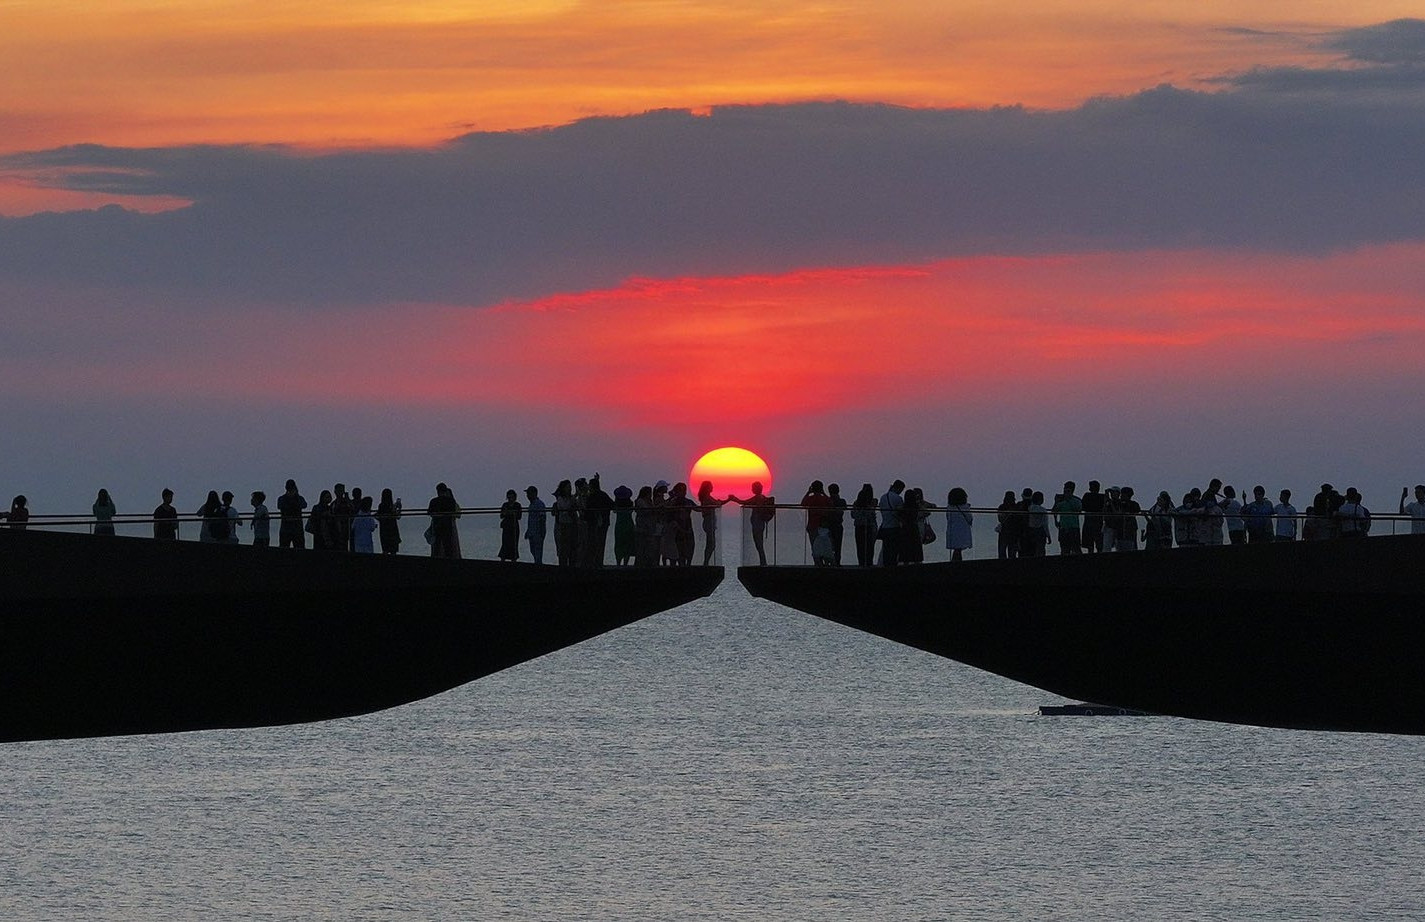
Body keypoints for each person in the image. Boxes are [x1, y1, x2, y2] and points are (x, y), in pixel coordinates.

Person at [729, 482, 775, 566]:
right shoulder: (763, 498)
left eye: (753, 488)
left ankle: (763, 563)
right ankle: (763, 562)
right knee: (759, 543)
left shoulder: (757, 498)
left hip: (757, 523)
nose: (752, 489)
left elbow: (744, 502)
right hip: (760, 523)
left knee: (758, 544)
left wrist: (734, 499)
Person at [426, 482, 462, 559]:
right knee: (448, 546)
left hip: (436, 526)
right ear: (445, 491)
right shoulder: (451, 501)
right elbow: (454, 513)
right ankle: (449, 562)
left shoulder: (433, 501)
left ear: (437, 491)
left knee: (436, 546)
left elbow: (429, 512)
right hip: (448, 526)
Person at [696, 481, 728, 566]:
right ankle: (706, 562)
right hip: (708, 522)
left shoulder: (707, 497)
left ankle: (706, 562)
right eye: (711, 486)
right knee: (711, 543)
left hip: (710, 522)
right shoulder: (707, 498)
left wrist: (727, 500)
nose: (712, 487)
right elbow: (717, 504)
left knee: (710, 543)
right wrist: (728, 500)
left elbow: (718, 503)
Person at [584, 475, 613, 567]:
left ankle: (592, 563)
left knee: (592, 543)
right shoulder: (603, 495)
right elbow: (612, 505)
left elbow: (588, 511)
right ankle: (599, 562)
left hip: (593, 523)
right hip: (604, 522)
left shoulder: (591, 497)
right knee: (601, 543)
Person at [801, 481, 831, 563]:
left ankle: (817, 563)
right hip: (823, 526)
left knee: (814, 547)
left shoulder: (811, 499)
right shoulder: (824, 499)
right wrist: (824, 493)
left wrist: (808, 493)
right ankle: (826, 563)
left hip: (812, 526)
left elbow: (802, 504)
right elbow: (831, 503)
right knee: (824, 547)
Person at [877, 480, 905, 566]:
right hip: (894, 527)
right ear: (898, 488)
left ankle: (885, 566)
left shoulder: (883, 497)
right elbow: (900, 513)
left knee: (886, 549)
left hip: (885, 527)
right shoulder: (898, 498)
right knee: (894, 550)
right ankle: (892, 567)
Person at [552, 479, 578, 566]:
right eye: (568, 487)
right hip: (563, 525)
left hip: (571, 524)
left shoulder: (572, 498)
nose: (570, 489)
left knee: (572, 547)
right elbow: (564, 507)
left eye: (570, 487)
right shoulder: (560, 499)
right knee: (563, 548)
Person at [850, 483, 878, 567]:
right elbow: (871, 514)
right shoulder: (873, 502)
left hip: (859, 526)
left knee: (860, 546)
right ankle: (869, 563)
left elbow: (853, 515)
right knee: (870, 546)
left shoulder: (856, 503)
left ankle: (861, 563)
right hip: (869, 526)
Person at [1051, 482, 1082, 555]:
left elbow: (1078, 509)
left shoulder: (1077, 501)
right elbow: (1054, 511)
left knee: (1076, 548)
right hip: (1063, 527)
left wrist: (1069, 499)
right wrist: (1056, 501)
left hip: (1073, 527)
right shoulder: (1061, 501)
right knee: (1064, 548)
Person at [944, 487, 973, 562]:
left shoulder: (949, 507)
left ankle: (956, 563)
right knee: (958, 550)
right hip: (962, 531)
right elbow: (970, 518)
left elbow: (948, 518)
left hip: (952, 530)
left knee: (956, 550)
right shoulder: (965, 507)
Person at [277, 480, 308, 549]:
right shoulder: (297, 498)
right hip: (294, 528)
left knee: (285, 548)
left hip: (289, 528)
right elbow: (304, 505)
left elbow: (304, 505)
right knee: (298, 548)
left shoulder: (282, 498)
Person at [633, 485, 658, 567]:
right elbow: (646, 510)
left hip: (649, 528)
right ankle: (639, 564)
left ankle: (647, 564)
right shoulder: (640, 501)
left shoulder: (649, 501)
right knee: (641, 547)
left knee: (649, 547)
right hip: (642, 527)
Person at [825, 483, 848, 566]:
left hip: (828, 526)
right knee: (838, 546)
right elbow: (845, 508)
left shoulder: (827, 501)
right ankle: (837, 562)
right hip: (838, 525)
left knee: (829, 546)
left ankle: (829, 562)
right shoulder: (841, 501)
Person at [612, 485, 635, 566]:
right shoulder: (630, 503)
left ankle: (618, 563)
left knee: (619, 544)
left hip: (619, 525)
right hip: (629, 524)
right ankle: (626, 563)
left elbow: (614, 511)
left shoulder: (617, 504)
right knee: (628, 544)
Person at [1080, 481, 1105, 553]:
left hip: (1089, 521)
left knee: (1090, 545)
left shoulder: (1087, 496)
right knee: (1099, 544)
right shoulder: (1102, 497)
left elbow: (1082, 507)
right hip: (1098, 521)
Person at [524, 486, 547, 563]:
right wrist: (528, 531)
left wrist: (542, 530)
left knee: (538, 551)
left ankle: (538, 567)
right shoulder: (531, 505)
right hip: (532, 532)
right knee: (533, 550)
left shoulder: (539, 504)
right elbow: (531, 520)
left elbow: (542, 518)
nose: (527, 496)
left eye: (528, 493)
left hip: (538, 532)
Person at [1025, 491, 1051, 556]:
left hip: (1031, 530)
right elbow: (1045, 524)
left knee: (1032, 550)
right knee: (1040, 550)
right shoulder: (1043, 510)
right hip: (1040, 531)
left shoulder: (1029, 508)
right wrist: (1048, 535)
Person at [995, 490, 1020, 560]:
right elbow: (1018, 520)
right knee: (1012, 553)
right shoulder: (1016, 507)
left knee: (1002, 551)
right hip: (1014, 531)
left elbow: (1000, 519)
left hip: (1004, 531)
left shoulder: (1001, 507)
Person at [498, 489, 522, 561]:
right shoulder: (505, 505)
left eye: (512, 497)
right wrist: (508, 513)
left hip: (514, 527)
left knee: (514, 544)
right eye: (509, 497)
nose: (510, 499)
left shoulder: (517, 505)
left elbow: (519, 516)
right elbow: (501, 515)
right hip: (506, 527)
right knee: (505, 543)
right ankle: (503, 559)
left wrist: (509, 513)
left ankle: (513, 560)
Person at [377, 489, 402, 555]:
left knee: (385, 549)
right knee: (393, 550)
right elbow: (398, 517)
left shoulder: (381, 506)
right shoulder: (392, 506)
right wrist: (399, 508)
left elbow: (378, 515)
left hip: (384, 529)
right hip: (393, 529)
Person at [1116, 487, 1141, 551]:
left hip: (1129, 531)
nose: (1121, 496)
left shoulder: (1133, 504)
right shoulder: (1119, 503)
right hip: (1121, 531)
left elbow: (1137, 510)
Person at [331, 484, 354, 552]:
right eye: (339, 490)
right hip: (336, 527)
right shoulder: (334, 503)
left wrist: (348, 500)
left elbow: (352, 509)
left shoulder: (347, 502)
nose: (341, 492)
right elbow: (333, 513)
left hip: (346, 526)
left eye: (342, 490)